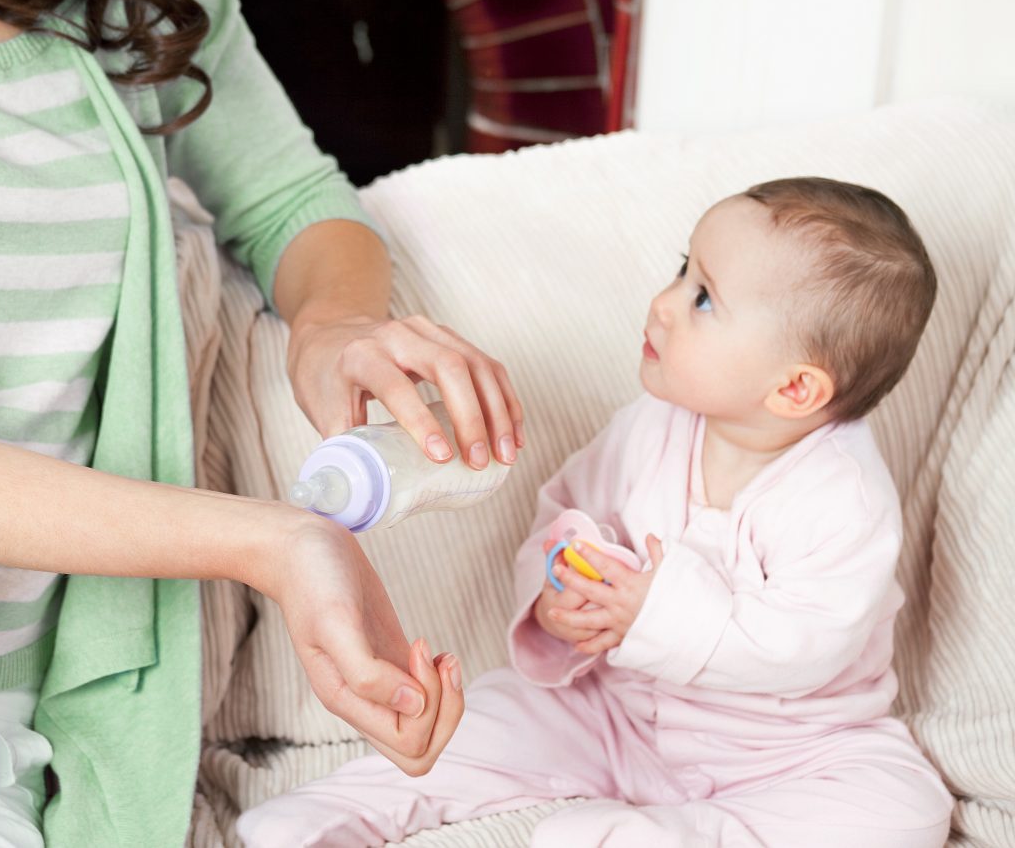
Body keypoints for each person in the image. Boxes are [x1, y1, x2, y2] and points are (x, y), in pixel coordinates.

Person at [0, 0, 524, 844]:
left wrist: (334, 327)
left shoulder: (138, 8)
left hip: (42, 726)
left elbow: (290, 196)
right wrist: (274, 542)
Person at [237, 177, 957, 848]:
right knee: (489, 719)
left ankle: (686, 831)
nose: (663, 302)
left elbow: (805, 643)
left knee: (906, 805)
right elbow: (567, 507)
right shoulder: (651, 424)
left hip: (788, 750)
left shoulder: (843, 497)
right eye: (682, 267)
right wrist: (562, 592)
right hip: (615, 711)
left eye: (704, 297)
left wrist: (656, 610)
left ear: (795, 390)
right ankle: (330, 814)